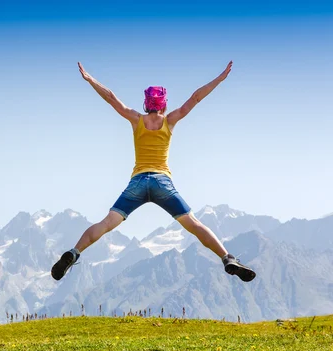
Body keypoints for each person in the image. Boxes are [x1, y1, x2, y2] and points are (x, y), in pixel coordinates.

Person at [51, 61, 256, 283]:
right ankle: (227, 258)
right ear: (164, 104)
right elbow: (196, 98)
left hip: (137, 183)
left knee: (107, 223)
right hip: (162, 183)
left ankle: (74, 252)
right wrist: (220, 78)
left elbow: (111, 97)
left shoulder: (136, 120)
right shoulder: (170, 121)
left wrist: (91, 80)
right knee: (194, 225)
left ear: (146, 103)